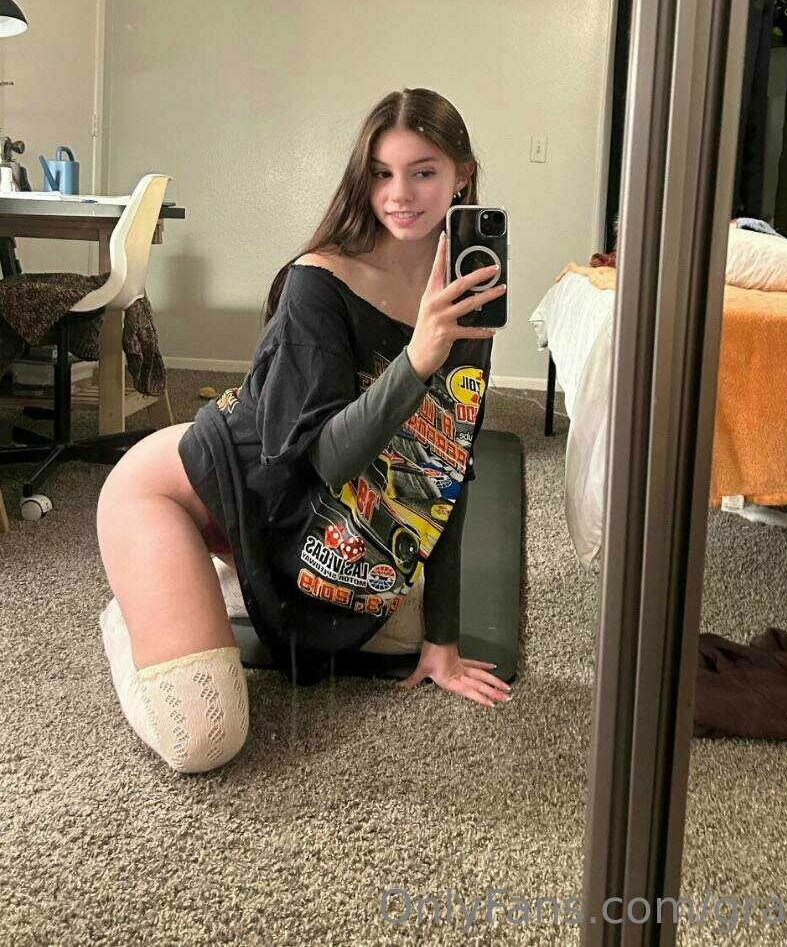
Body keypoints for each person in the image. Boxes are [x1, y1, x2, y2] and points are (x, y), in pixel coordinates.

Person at [96, 87, 511, 774]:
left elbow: (447, 460)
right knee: (206, 738)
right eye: (380, 173)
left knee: (400, 619)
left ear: (462, 175)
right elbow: (327, 460)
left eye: (423, 171)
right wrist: (418, 358)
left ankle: (227, 575)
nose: (399, 194)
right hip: (182, 490)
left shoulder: (465, 292)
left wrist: (443, 642)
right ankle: (132, 615)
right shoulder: (318, 283)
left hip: (291, 522)